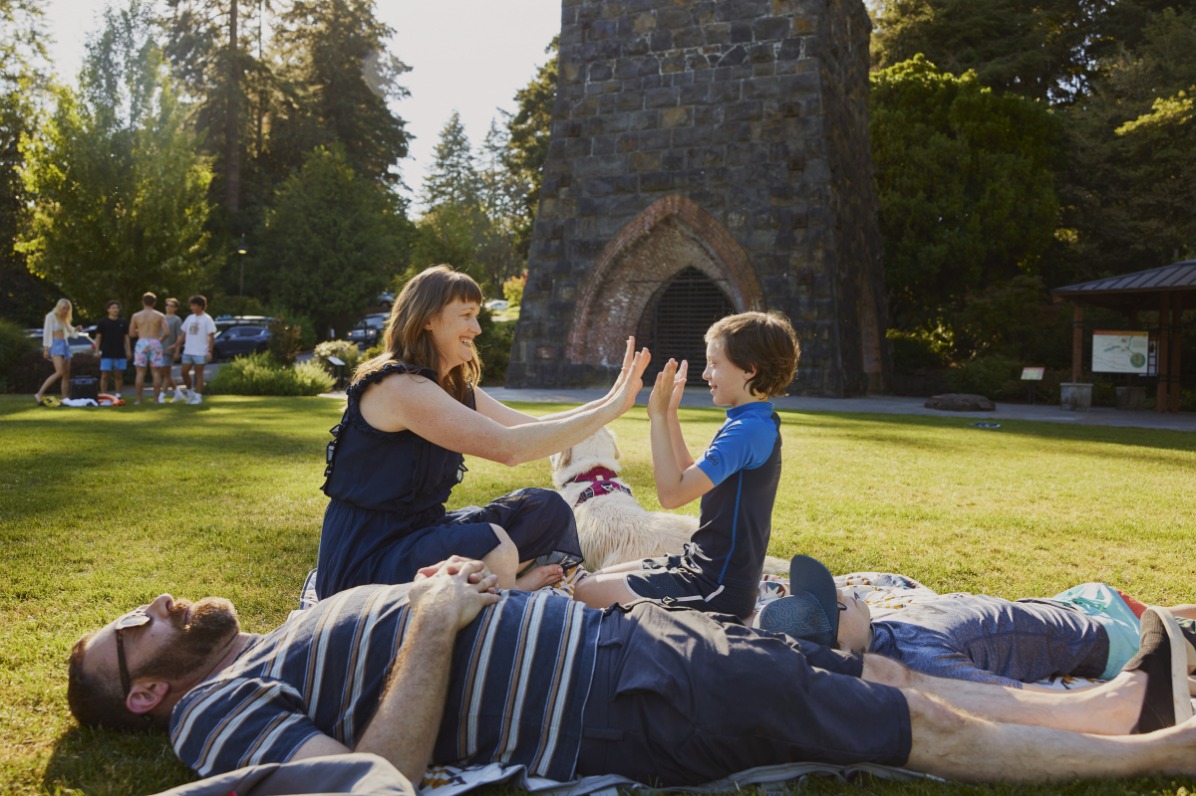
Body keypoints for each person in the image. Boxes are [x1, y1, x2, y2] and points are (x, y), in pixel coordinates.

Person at [67, 557, 1196, 788]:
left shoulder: (270, 640)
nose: (155, 601)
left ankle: (1113, 704)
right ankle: (1160, 750)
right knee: (911, 730)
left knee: (887, 685)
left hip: (636, 649)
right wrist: (440, 617)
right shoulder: (209, 721)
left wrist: (469, 590)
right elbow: (375, 785)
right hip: (624, 698)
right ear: (148, 690)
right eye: (134, 629)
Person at [316, 264, 650, 598]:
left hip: (422, 532)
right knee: (497, 545)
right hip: (368, 555)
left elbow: (530, 428)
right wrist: (610, 408)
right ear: (428, 319)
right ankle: (510, 598)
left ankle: (503, 585)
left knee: (545, 508)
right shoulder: (399, 387)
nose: (476, 328)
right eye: (466, 315)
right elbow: (510, 448)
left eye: (476, 316)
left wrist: (609, 401)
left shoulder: (452, 388)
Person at [573, 311, 799, 619]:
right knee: (589, 579)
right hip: (698, 564)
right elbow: (690, 473)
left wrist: (656, 418)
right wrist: (670, 415)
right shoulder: (752, 422)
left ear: (749, 369)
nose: (706, 374)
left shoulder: (747, 431)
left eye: (715, 364)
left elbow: (672, 494)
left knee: (584, 593)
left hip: (716, 587)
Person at [759, 555, 1196, 690]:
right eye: (836, 602)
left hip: (1064, 607)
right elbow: (1006, 699)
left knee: (1166, 611)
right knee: (1177, 638)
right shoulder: (918, 661)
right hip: (1101, 640)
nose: (843, 591)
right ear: (843, 647)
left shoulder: (883, 626)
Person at [35, 298, 87, 405]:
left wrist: (76, 329)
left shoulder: (64, 318)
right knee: (59, 372)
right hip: (55, 344)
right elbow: (47, 332)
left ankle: (64, 398)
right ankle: (39, 393)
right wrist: (46, 349)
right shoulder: (51, 316)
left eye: (68, 309)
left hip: (65, 345)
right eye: (64, 308)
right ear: (59, 307)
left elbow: (69, 331)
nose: (66, 311)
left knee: (66, 374)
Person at [129, 292, 169, 406]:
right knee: (156, 372)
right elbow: (166, 332)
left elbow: (131, 333)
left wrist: (141, 331)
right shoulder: (160, 315)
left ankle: (138, 400)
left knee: (140, 372)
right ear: (154, 303)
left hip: (142, 342)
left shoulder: (136, 316)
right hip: (155, 341)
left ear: (142, 301)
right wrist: (159, 340)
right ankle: (156, 400)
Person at [178, 295, 216, 405]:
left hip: (201, 352)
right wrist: (176, 345)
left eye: (194, 305)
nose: (192, 307)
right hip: (188, 351)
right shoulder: (189, 318)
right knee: (184, 372)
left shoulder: (207, 319)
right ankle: (190, 393)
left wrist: (209, 351)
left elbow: (211, 336)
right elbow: (183, 335)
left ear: (201, 306)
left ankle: (198, 397)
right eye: (191, 305)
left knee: (199, 374)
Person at [94, 300, 131, 398]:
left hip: (120, 352)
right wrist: (97, 350)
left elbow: (126, 337)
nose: (115, 310)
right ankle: (104, 395)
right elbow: (98, 337)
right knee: (105, 375)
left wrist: (128, 350)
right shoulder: (103, 322)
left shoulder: (122, 322)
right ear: (108, 310)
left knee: (118, 375)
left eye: (117, 308)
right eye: (113, 308)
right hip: (106, 352)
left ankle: (118, 395)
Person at [160, 298, 185, 403]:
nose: (168, 307)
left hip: (169, 349)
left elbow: (179, 336)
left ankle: (161, 395)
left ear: (175, 308)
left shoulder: (177, 320)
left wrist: (176, 350)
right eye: (167, 305)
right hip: (159, 349)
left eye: (171, 306)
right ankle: (178, 392)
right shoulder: (161, 318)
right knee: (165, 373)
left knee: (166, 373)